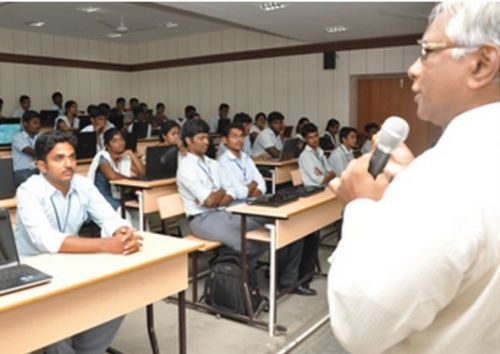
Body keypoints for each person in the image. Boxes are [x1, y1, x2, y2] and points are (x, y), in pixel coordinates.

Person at [327, 2, 500, 354]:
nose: (413, 69)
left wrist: (362, 203)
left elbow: (360, 325)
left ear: (482, 64)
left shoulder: (447, 176)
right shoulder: (463, 166)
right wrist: (411, 178)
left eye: (427, 51)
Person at [15, 131, 142, 354]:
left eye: (72, 157)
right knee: (53, 314)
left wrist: (121, 232)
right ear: (41, 165)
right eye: (59, 158)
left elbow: (108, 216)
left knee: (123, 291)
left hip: (70, 262)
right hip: (33, 269)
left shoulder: (82, 185)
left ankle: (83, 350)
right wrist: (105, 245)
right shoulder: (29, 191)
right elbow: (46, 240)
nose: (69, 164)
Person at [177, 119, 304, 292]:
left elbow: (229, 192)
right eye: (201, 138)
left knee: (279, 223)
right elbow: (209, 201)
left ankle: (263, 278)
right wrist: (219, 194)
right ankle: (244, 290)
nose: (206, 142)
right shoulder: (186, 167)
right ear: (188, 141)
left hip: (223, 212)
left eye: (207, 138)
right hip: (201, 219)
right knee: (248, 245)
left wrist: (218, 194)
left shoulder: (212, 164)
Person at [88, 129, 145, 211]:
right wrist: (130, 179)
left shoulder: (125, 158)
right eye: (115, 141)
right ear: (107, 146)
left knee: (139, 207)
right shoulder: (103, 157)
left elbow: (142, 173)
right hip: (103, 196)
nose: (120, 143)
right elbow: (112, 176)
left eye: (121, 139)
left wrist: (131, 153)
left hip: (121, 195)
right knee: (122, 210)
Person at [11, 110, 41, 187]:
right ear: (25, 124)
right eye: (34, 123)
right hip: (22, 172)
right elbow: (32, 152)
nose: (38, 126)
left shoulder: (38, 137)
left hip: (36, 169)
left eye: (39, 123)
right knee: (35, 186)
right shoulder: (18, 138)